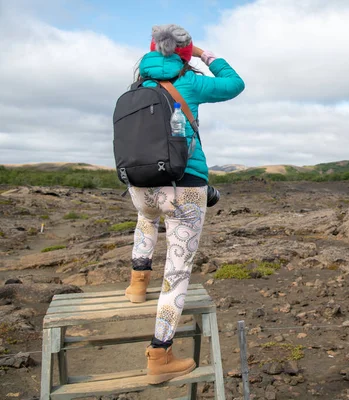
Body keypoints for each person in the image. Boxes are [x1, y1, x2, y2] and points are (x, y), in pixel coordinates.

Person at [123, 24, 244, 384]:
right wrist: (207, 56)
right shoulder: (189, 81)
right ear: (184, 53)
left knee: (147, 218)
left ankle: (136, 284)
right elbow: (235, 84)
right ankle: (159, 355)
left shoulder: (137, 85)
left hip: (141, 184)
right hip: (185, 187)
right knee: (176, 276)